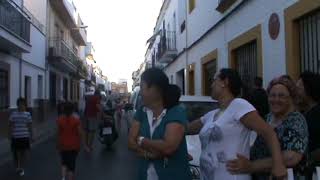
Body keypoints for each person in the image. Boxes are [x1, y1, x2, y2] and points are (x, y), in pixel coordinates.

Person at [187, 68, 287, 180]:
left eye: (214, 80)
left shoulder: (239, 105)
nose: (211, 85)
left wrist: (278, 164)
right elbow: (184, 129)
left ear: (225, 82)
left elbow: (268, 133)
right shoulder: (210, 115)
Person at [228, 75, 309, 180]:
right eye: (272, 95)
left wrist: (252, 166)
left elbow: (291, 157)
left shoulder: (296, 120)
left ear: (291, 98)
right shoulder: (268, 117)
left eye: (282, 96)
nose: (276, 99)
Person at [128, 68, 192, 180]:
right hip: (145, 175)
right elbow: (130, 142)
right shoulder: (141, 112)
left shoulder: (176, 112)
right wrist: (150, 154)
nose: (141, 93)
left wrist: (142, 140)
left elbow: (168, 147)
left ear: (154, 89)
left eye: (142, 87)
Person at [296, 72, 320, 172]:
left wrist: (308, 158)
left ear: (309, 90)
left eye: (299, 89)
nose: (295, 93)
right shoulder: (302, 113)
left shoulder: (317, 114)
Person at [57, 102, 87, 180]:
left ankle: (63, 178)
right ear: (72, 110)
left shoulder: (60, 120)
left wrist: (58, 144)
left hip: (63, 145)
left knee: (64, 162)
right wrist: (84, 145)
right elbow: (80, 133)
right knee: (71, 166)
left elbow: (58, 133)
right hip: (74, 146)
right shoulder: (76, 120)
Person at [9, 97, 33, 176]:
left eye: (23, 104)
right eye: (20, 104)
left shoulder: (28, 114)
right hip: (16, 136)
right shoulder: (13, 114)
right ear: (17, 105)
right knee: (16, 153)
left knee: (23, 153)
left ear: (25, 105)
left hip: (25, 136)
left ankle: (21, 167)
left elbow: (30, 126)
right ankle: (18, 166)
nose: (21, 106)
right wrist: (10, 135)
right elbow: (11, 125)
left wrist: (31, 136)